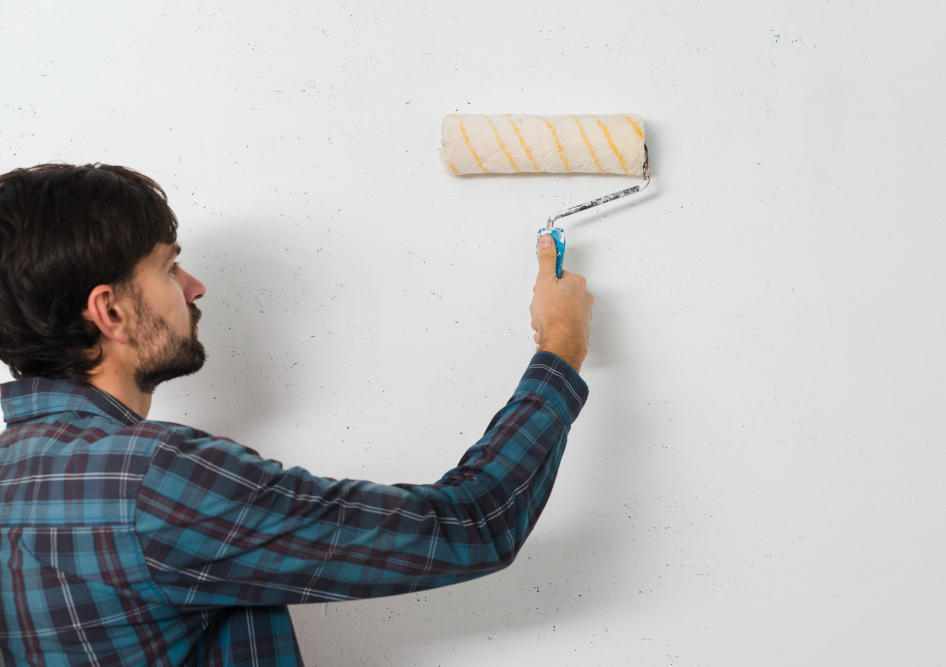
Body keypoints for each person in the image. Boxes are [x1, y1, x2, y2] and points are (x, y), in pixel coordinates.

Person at [0, 163, 594, 666]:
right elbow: (472, 526)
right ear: (111, 312)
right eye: (167, 267)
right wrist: (560, 348)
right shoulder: (156, 480)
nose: (195, 286)